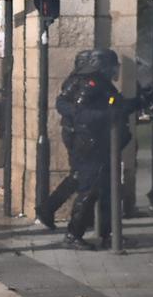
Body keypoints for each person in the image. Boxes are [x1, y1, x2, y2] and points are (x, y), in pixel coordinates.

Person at [54, 49, 140, 249]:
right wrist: (107, 115)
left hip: (100, 144)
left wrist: (138, 101)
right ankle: (73, 235)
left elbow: (114, 104)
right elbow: (82, 114)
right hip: (90, 145)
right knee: (90, 189)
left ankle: (108, 234)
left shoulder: (101, 84)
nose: (115, 70)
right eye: (112, 66)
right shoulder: (90, 84)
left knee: (108, 191)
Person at [35, 50, 93, 230]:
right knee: (79, 176)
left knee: (81, 175)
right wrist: (80, 116)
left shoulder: (85, 80)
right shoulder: (76, 80)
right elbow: (63, 104)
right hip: (76, 134)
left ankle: (52, 210)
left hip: (80, 134)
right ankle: (48, 209)